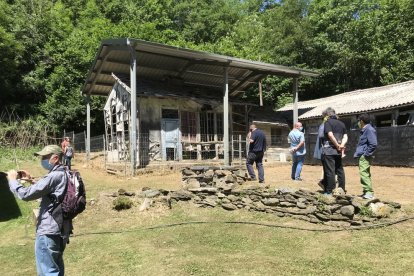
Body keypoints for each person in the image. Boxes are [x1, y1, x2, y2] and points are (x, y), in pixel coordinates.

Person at [7, 145, 73, 276]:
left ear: (55, 158)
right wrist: (31, 180)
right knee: (56, 268)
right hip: (62, 229)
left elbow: (25, 195)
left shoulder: (53, 176)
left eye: (44, 157)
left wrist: (13, 181)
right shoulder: (66, 172)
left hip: (49, 231)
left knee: (47, 271)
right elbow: (52, 190)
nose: (42, 160)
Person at [321, 107, 348, 195]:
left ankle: (329, 191)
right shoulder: (341, 123)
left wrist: (336, 145)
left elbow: (330, 135)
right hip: (339, 151)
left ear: (327, 115)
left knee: (330, 170)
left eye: (324, 115)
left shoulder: (327, 122)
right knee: (340, 169)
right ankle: (342, 189)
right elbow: (345, 136)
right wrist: (342, 145)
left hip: (329, 150)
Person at [354, 113, 378, 199]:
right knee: (365, 173)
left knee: (364, 173)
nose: (358, 123)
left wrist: (366, 154)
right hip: (363, 155)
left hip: (365, 156)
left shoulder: (369, 129)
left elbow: (373, 144)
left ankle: (368, 192)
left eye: (358, 121)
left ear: (361, 121)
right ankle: (366, 191)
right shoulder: (365, 129)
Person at [313, 111, 328, 188]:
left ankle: (324, 182)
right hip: (325, 150)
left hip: (326, 150)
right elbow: (321, 135)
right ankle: (323, 182)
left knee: (328, 168)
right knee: (327, 168)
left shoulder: (324, 125)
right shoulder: (323, 126)